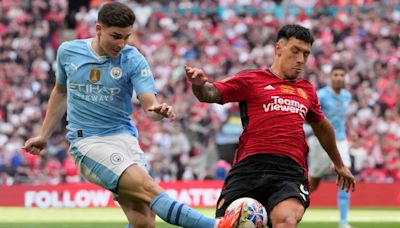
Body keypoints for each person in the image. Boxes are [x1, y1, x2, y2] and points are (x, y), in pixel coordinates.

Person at [23, 2, 243, 228]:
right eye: (116, 36)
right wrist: (44, 135)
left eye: (126, 37)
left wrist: (158, 110)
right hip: (88, 141)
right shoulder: (69, 52)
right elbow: (60, 90)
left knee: (144, 223)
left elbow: (149, 104)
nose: (121, 44)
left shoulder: (133, 59)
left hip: (126, 140)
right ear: (99, 29)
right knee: (149, 188)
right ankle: (216, 226)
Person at [184, 24, 356, 228]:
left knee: (286, 220)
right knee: (229, 223)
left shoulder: (307, 90)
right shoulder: (251, 80)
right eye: (295, 51)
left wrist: (339, 164)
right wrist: (199, 85)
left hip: (289, 170)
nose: (301, 59)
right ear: (278, 48)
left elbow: (321, 126)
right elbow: (210, 93)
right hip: (249, 167)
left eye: (306, 54)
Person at [308, 65, 353, 228]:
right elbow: (310, 118)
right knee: (313, 183)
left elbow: (342, 119)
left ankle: (343, 222)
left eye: (342, 74)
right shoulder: (321, 95)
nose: (339, 77)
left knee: (345, 175)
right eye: (336, 74)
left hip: (340, 140)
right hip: (321, 142)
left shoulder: (347, 96)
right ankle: (292, 207)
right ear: (330, 77)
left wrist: (350, 132)